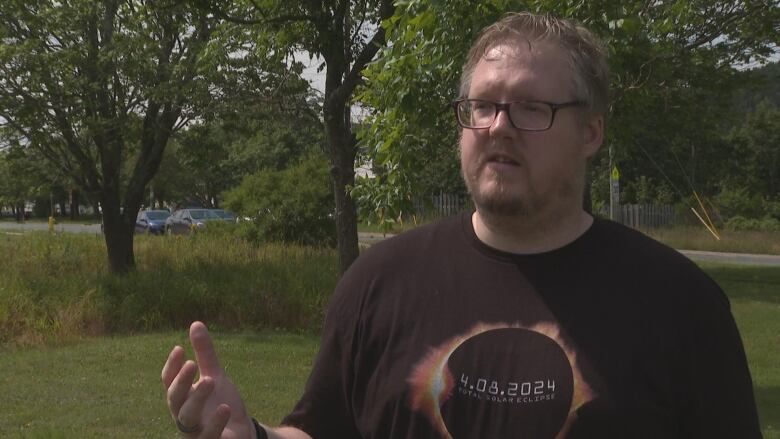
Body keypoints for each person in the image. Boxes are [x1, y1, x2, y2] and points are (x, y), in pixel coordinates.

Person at [161, 12, 761, 439]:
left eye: (532, 108)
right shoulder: (379, 283)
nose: (499, 125)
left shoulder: (681, 304)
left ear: (591, 133)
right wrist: (249, 434)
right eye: (483, 105)